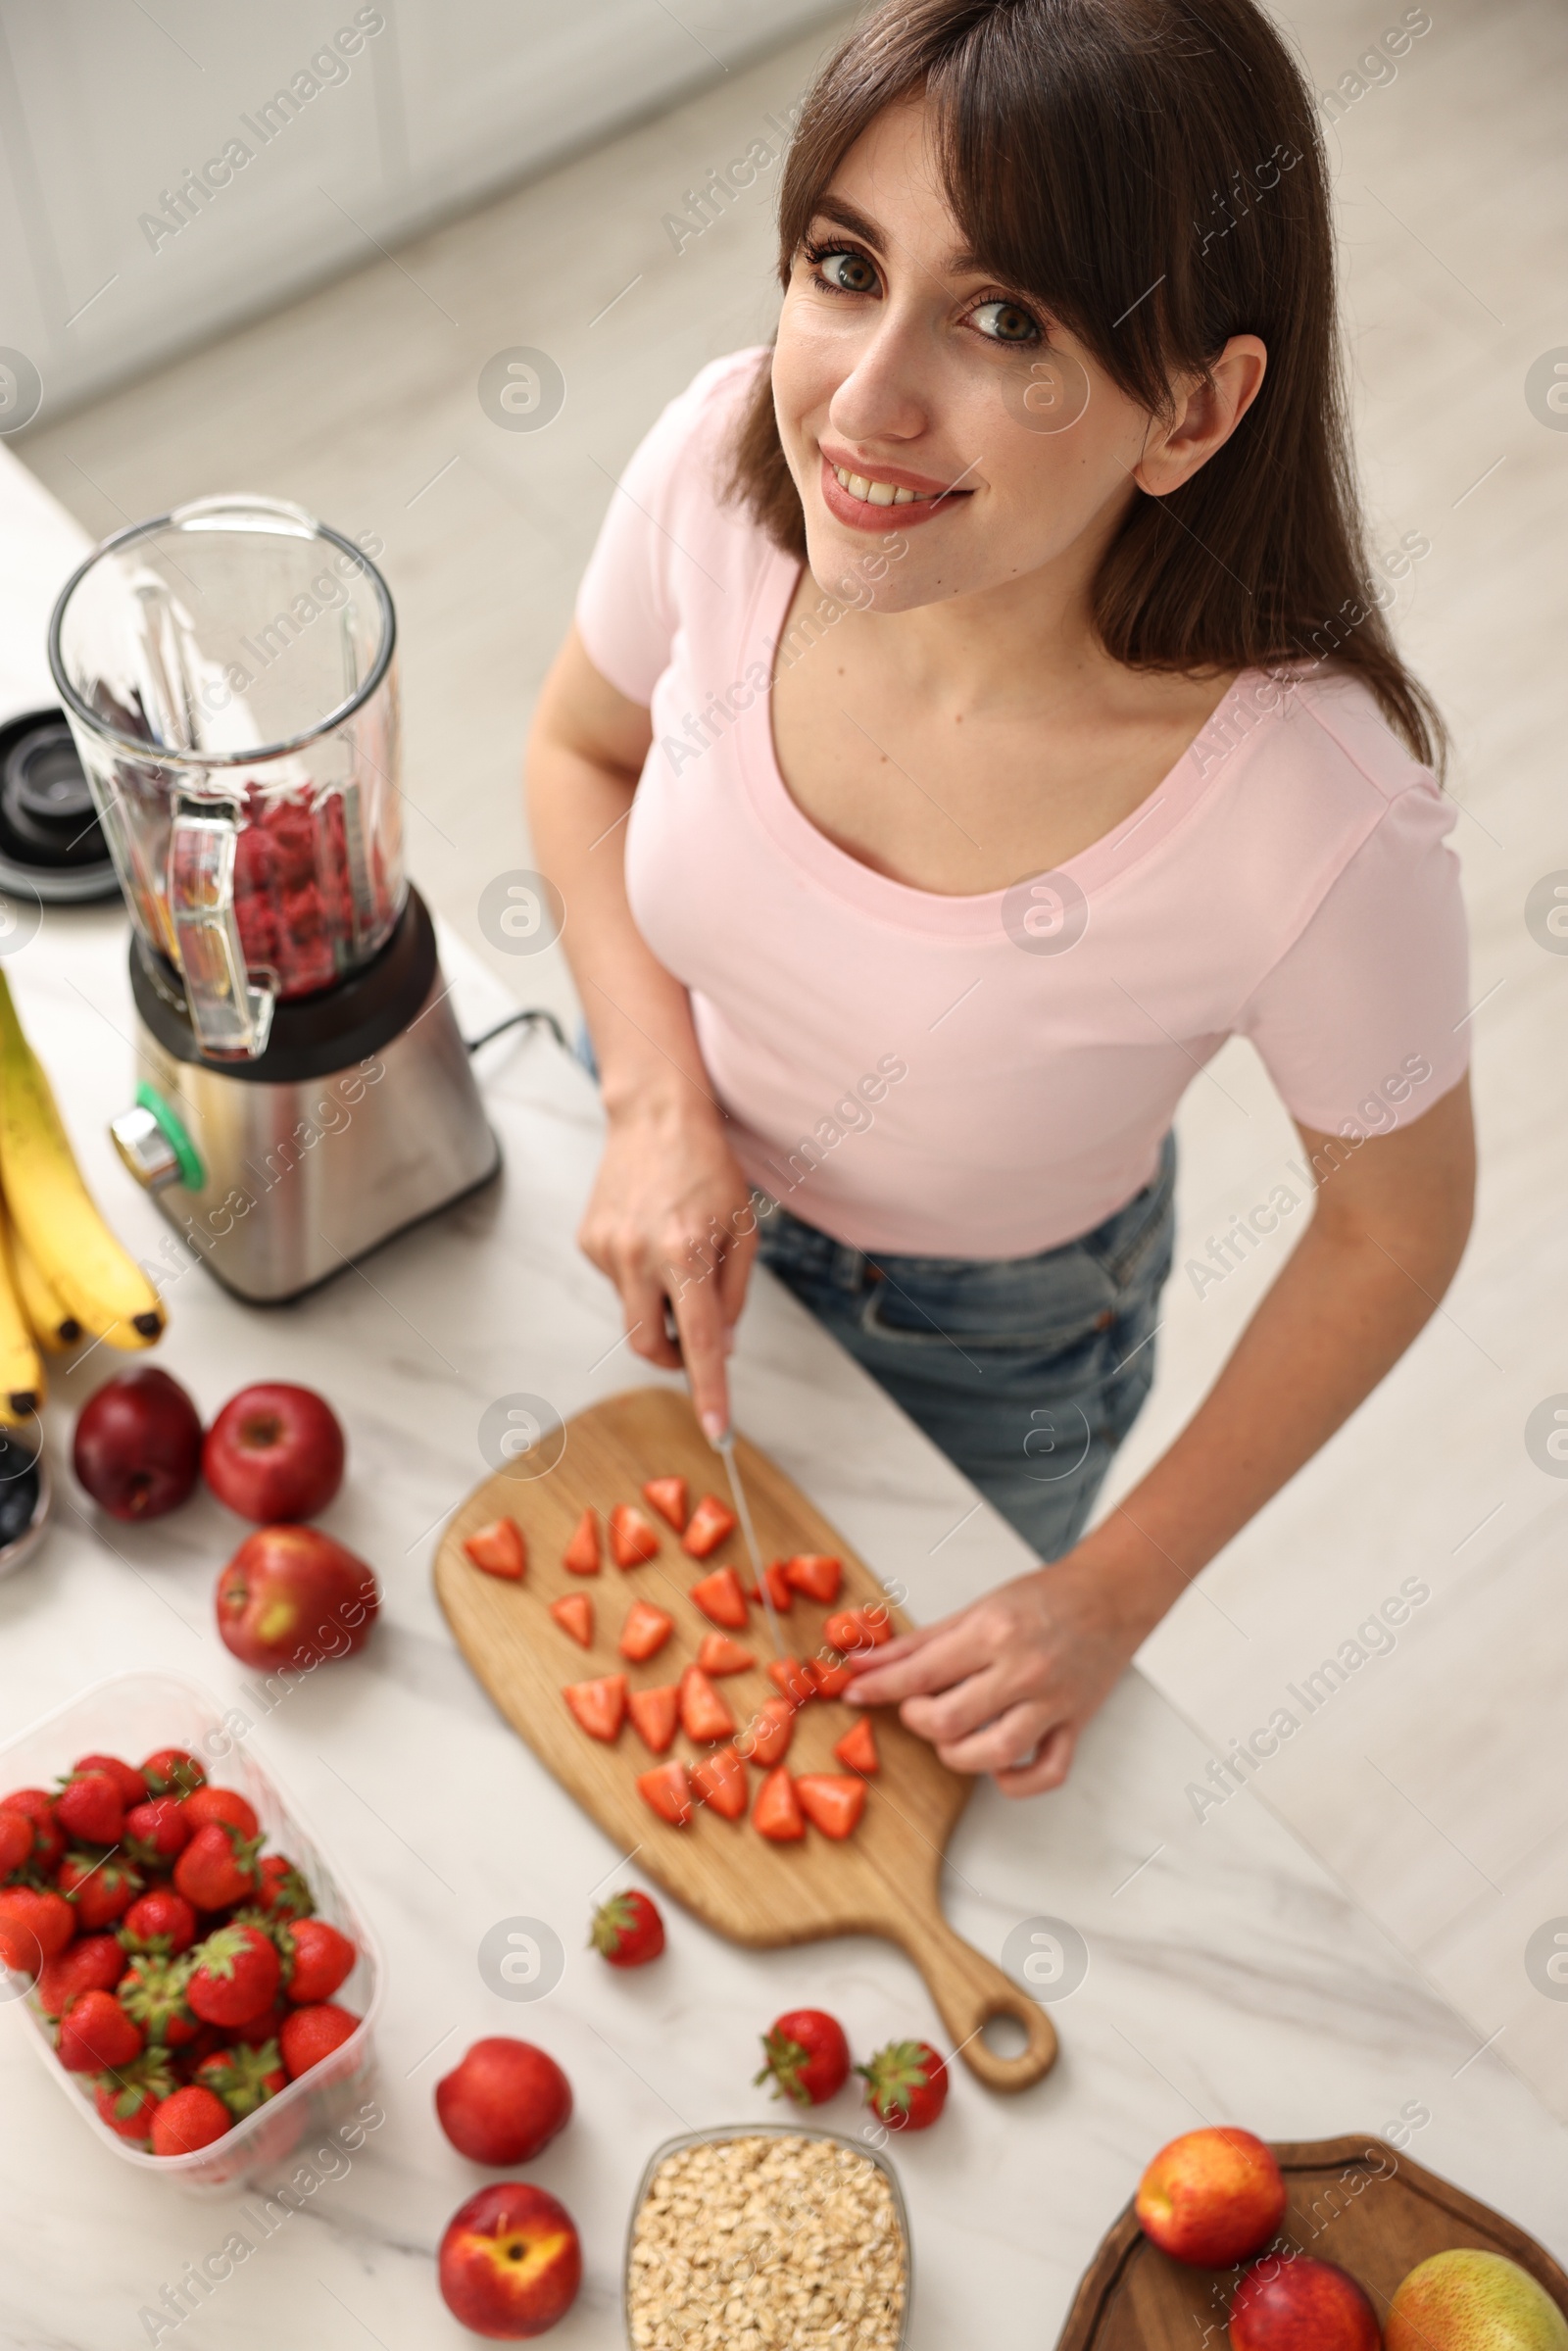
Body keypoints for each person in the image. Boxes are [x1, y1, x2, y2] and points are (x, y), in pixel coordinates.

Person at [526, 0, 1473, 1797]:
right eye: (840, 263)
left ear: (1190, 408)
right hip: (649, 1153)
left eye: (1004, 319)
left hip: (990, 1343)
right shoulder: (724, 476)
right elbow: (580, 756)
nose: (862, 404)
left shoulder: (1316, 812)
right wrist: (653, 1107)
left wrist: (1108, 1597)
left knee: (856, 1786)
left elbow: (1396, 1230)